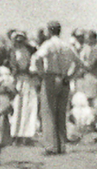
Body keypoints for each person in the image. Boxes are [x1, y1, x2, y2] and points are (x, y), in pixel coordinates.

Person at [32, 21, 80, 155]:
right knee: (61, 113)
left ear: (48, 30)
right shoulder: (66, 45)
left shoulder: (48, 44)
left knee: (48, 112)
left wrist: (41, 72)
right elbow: (79, 62)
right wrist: (70, 76)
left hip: (50, 78)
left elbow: (37, 58)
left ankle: (51, 146)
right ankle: (61, 146)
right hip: (64, 79)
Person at [7, 31, 41, 142]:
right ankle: (15, 134)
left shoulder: (29, 51)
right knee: (17, 106)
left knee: (28, 106)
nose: (19, 41)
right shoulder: (12, 52)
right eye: (17, 39)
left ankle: (27, 134)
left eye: (21, 39)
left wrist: (30, 71)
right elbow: (12, 67)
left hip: (27, 81)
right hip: (18, 80)